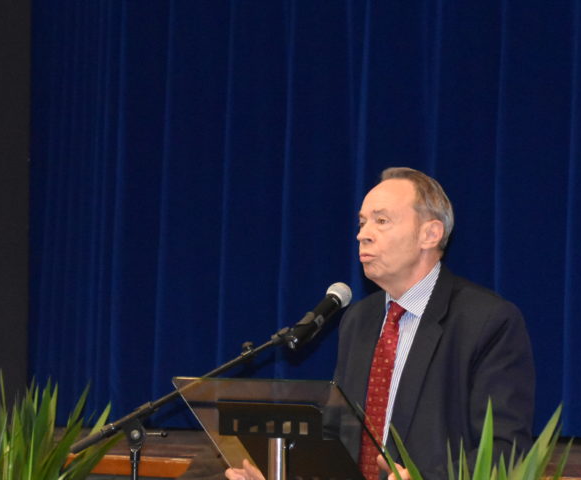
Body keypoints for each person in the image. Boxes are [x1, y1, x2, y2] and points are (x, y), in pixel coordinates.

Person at [226, 167, 535, 480]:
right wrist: (281, 473)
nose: (362, 234)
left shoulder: (487, 321)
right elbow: (337, 436)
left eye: (382, 221)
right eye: (362, 223)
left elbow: (507, 449)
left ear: (430, 234)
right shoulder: (358, 319)